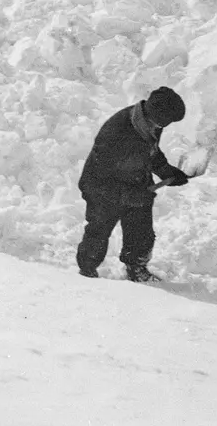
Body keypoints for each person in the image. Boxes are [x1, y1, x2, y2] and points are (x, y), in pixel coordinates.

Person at [75, 86, 189, 282]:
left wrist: (167, 172)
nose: (165, 126)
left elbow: (151, 152)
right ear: (155, 114)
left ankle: (136, 268)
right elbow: (102, 174)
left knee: (142, 232)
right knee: (99, 230)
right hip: (101, 187)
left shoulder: (150, 123)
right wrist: (128, 196)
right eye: (166, 121)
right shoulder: (116, 131)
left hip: (136, 182)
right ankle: (87, 272)